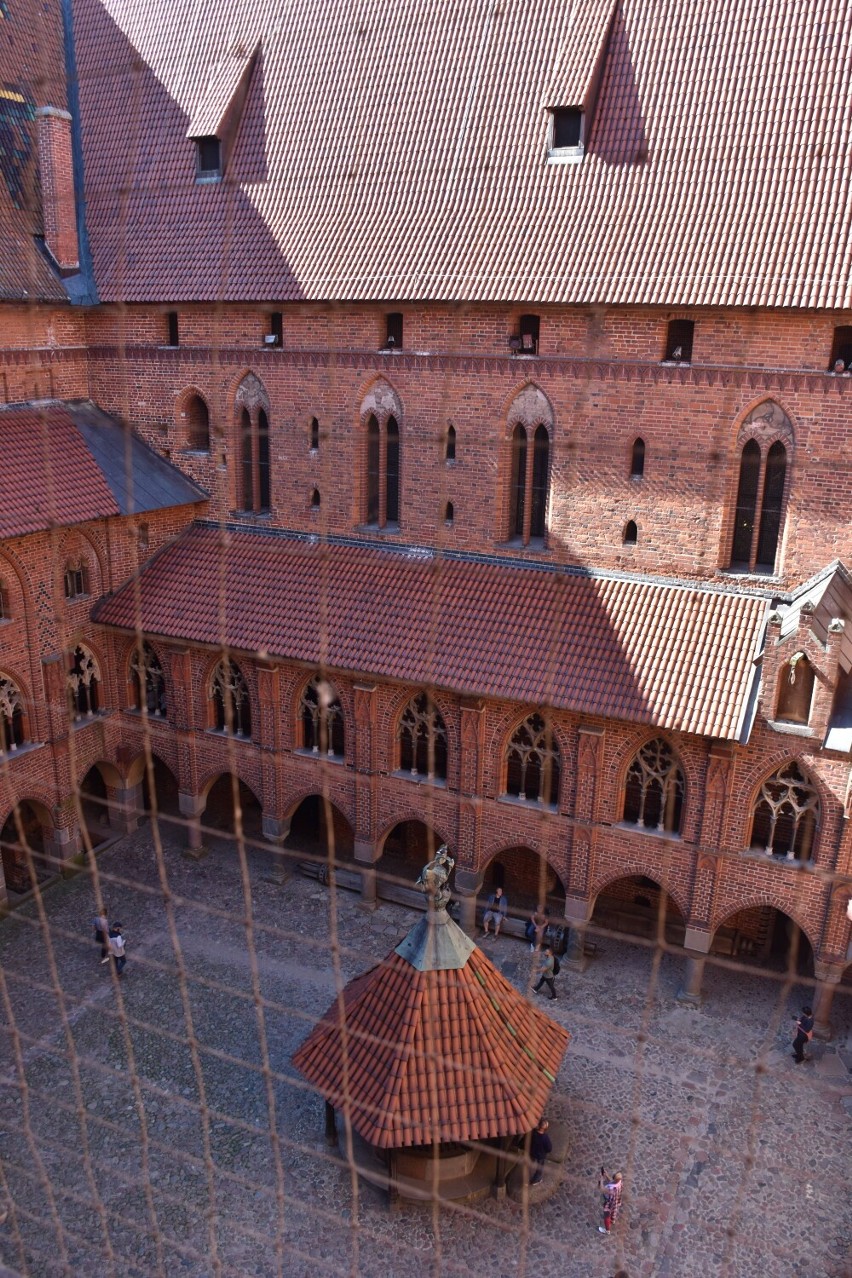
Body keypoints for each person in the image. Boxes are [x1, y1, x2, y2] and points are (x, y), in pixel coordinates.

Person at [598, 1169, 623, 1234]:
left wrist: (601, 1179)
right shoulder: (619, 1182)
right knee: (614, 1210)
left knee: (606, 1215)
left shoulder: (611, 1189)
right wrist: (606, 1175)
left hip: (609, 1202)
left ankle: (607, 1230)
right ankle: (612, 1220)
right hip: (615, 1200)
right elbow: (612, 1181)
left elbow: (602, 1189)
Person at [529, 1117, 552, 1185]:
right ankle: (536, 1180)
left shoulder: (533, 1133)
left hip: (532, 1152)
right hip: (540, 1155)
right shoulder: (545, 1138)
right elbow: (549, 1148)